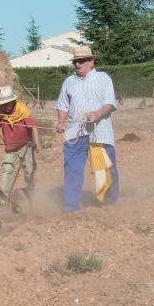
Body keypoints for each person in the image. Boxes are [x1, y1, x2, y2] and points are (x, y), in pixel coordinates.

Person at [55, 46, 119, 212]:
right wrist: (61, 122)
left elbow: (110, 103)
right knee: (72, 168)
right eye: (75, 61)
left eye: (82, 61)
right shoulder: (68, 82)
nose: (78, 64)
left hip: (99, 132)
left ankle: (109, 201)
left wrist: (96, 114)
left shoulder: (103, 78)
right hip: (75, 132)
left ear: (91, 61)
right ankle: (71, 204)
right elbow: (62, 105)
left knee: (105, 168)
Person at [0, 85, 41, 196]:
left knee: (29, 170)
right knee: (7, 169)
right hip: (10, 147)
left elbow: (33, 127)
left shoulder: (23, 110)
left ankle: (30, 192)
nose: (6, 107)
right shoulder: (0, 112)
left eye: (8, 103)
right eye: (3, 104)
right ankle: (4, 196)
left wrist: (37, 143)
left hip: (26, 146)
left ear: (13, 100)